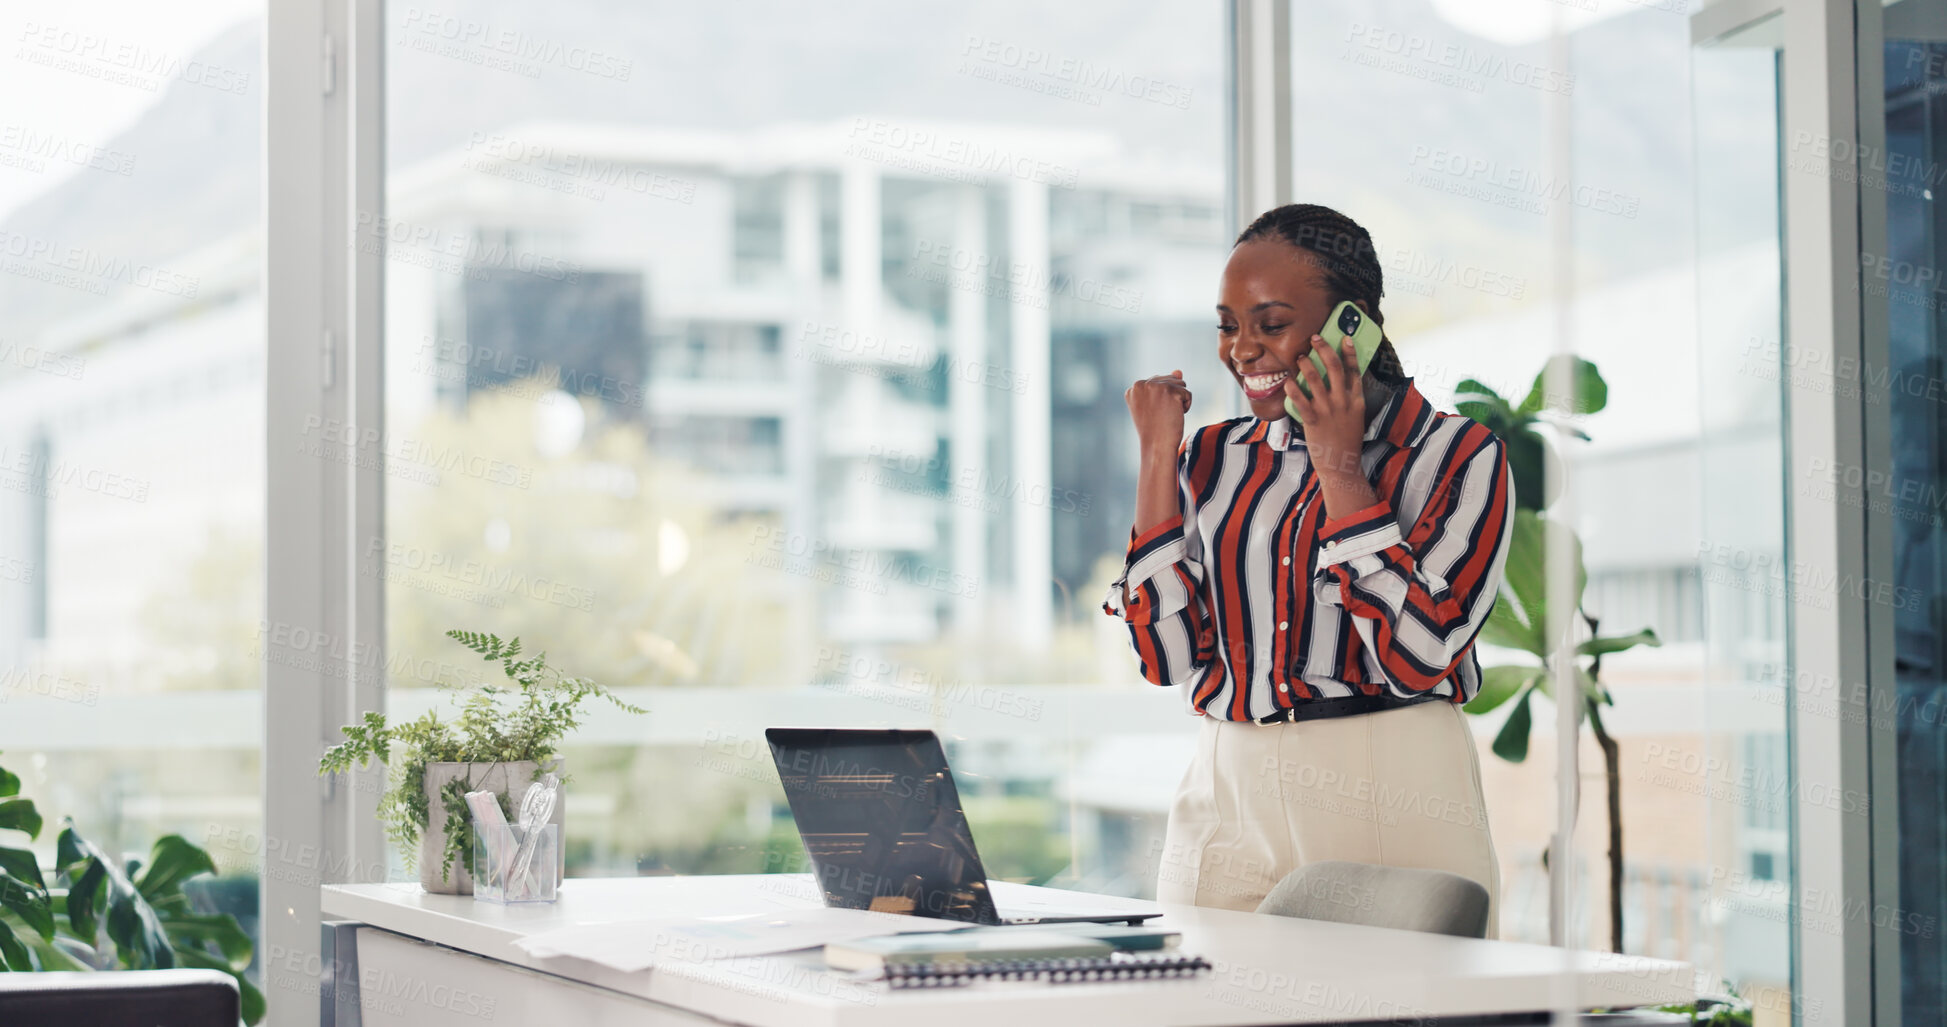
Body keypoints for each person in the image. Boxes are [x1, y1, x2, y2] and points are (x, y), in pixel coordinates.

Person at [1103, 203, 1512, 935]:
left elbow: (1419, 657)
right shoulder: (1213, 455)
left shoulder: (1459, 456)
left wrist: (1338, 465)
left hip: (1390, 786)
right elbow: (1165, 658)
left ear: (1351, 325)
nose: (1242, 350)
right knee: (1197, 991)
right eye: (1228, 326)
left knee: (1396, 999)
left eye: (1271, 323)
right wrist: (1159, 457)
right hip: (1226, 788)